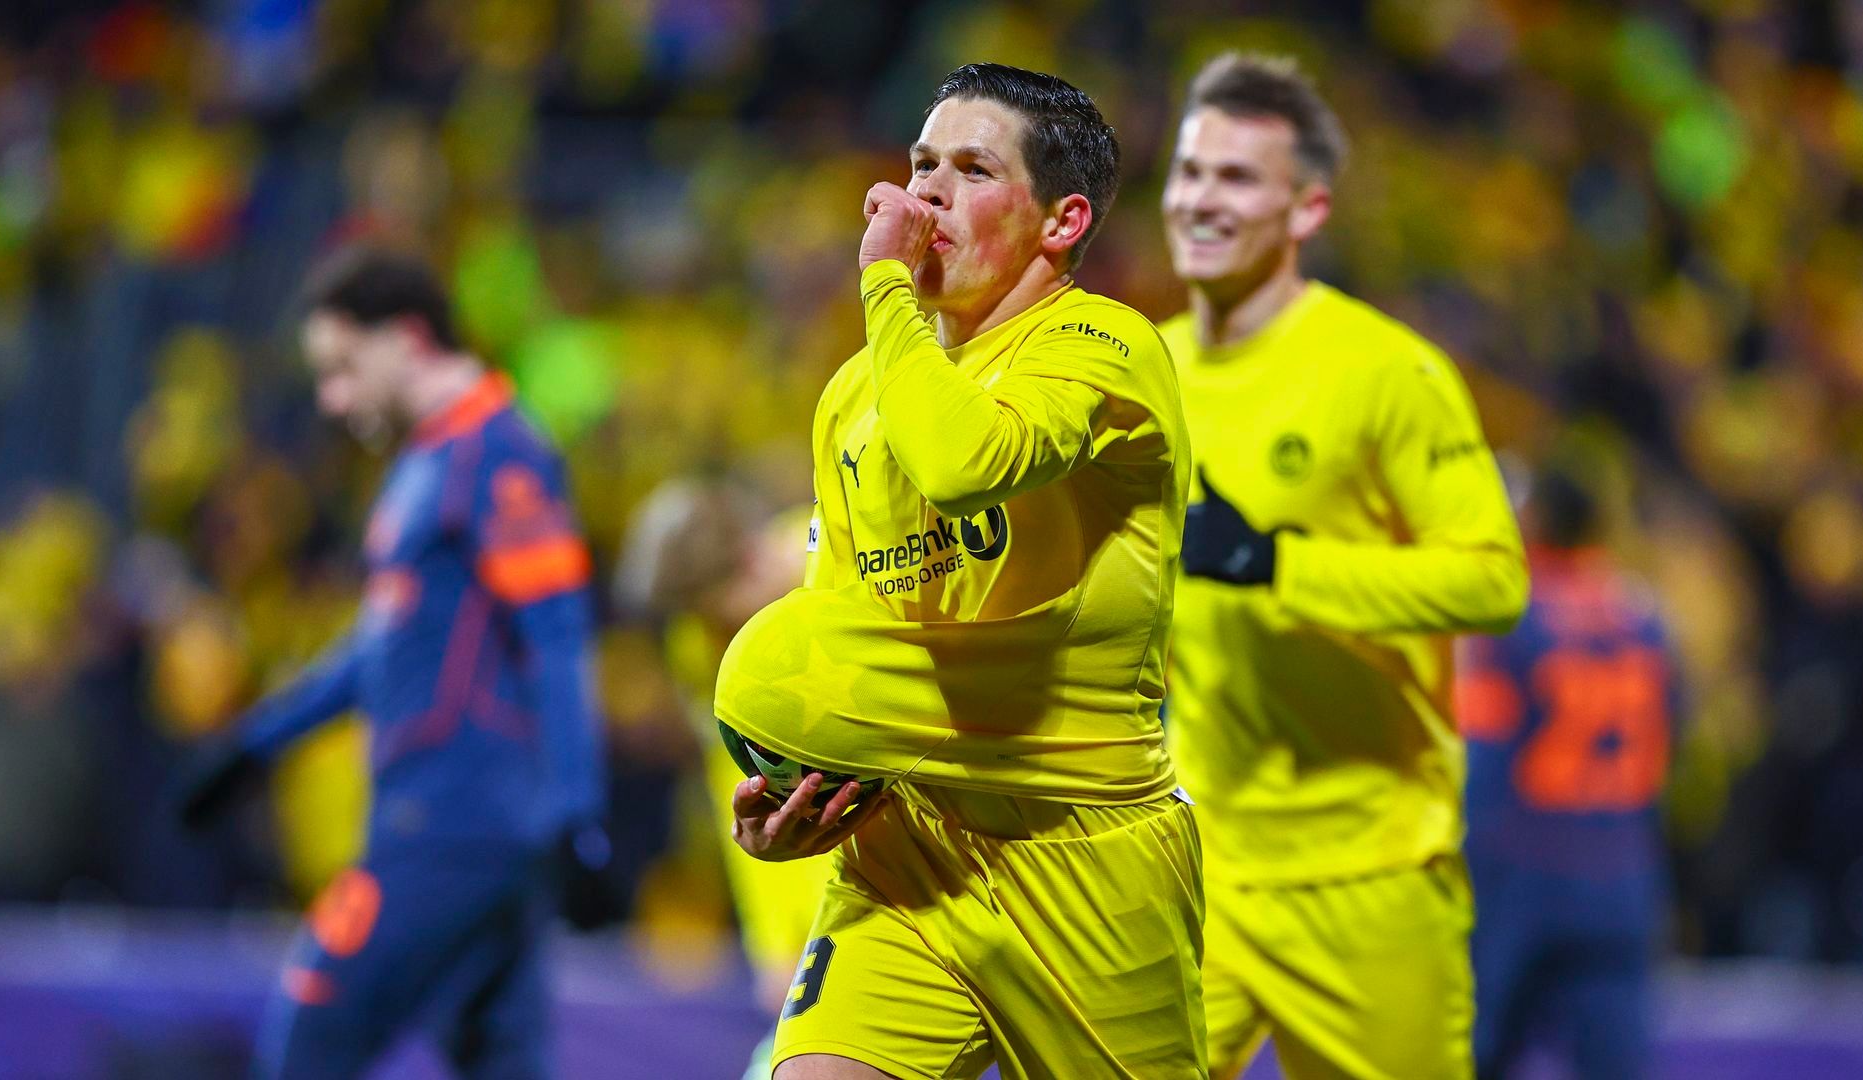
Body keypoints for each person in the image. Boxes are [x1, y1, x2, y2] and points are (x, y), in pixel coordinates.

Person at [712, 63, 1205, 1079]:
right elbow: (849, 625)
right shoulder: (855, 394)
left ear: (1063, 222)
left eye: (973, 170)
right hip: (910, 852)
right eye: (921, 163)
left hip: (1084, 853)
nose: (928, 192)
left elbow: (964, 462)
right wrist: (808, 793)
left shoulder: (1105, 346)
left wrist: (884, 288)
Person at [1157, 53, 1529, 1080]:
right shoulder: (1143, 371)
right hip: (1199, 866)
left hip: (1369, 877)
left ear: (1307, 207)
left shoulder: (1387, 373)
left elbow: (1492, 582)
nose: (1200, 199)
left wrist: (1277, 565)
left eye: (1237, 178)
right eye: (1189, 171)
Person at [175, 247, 608, 1080]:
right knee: (501, 1064)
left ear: (407, 339)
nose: (333, 400)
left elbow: (557, 637)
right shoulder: (429, 461)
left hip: (453, 827)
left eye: (343, 369)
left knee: (313, 1030)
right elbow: (381, 649)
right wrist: (253, 746)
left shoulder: (500, 453)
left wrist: (576, 807)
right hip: (460, 828)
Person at [1458, 464, 1678, 1080]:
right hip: (1623, 876)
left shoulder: (1511, 619)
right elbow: (1672, 739)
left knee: (1470, 1058)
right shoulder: (1645, 618)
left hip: (1520, 875)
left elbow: (1482, 761)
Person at [615, 479, 829, 1080]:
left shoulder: (843, 562)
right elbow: (739, 794)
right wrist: (773, 942)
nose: (708, 633)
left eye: (711, 611)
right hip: (825, 907)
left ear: (750, 558)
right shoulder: (701, 648)